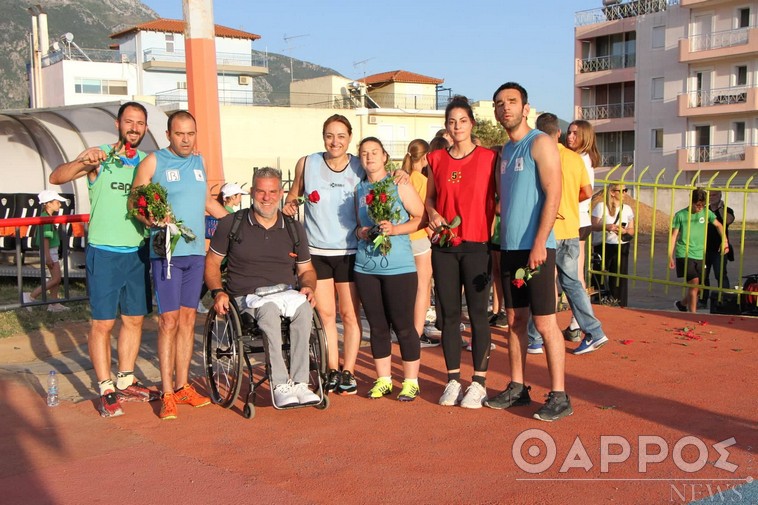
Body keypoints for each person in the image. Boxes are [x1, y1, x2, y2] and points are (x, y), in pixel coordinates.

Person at [48, 101, 157, 418]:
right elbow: (58, 177)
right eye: (128, 122)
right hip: (105, 252)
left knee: (135, 319)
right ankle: (106, 387)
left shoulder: (147, 165)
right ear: (118, 125)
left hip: (137, 250)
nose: (134, 128)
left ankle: (125, 379)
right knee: (103, 323)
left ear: (145, 129)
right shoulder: (101, 156)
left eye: (139, 123)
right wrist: (83, 160)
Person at [131, 110, 228, 420]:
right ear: (169, 135)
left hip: (196, 253)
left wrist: (238, 223)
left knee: (188, 320)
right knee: (168, 321)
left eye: (190, 134)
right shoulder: (154, 161)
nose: (185, 139)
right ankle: (168, 391)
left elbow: (206, 203)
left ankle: (184, 385)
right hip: (167, 252)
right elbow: (135, 201)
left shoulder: (199, 162)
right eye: (179, 134)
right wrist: (150, 219)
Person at [485, 82, 573, 422]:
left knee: (546, 322)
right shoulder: (504, 153)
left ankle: (560, 394)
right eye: (499, 103)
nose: (504, 107)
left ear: (525, 108)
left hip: (536, 248)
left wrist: (540, 241)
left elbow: (554, 194)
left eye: (511, 101)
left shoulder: (540, 143)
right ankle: (518, 387)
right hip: (509, 248)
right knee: (514, 320)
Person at [205, 167, 321, 408]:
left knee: (306, 309)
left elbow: (307, 270)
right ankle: (279, 384)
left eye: (272, 192)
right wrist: (218, 292)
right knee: (268, 310)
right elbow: (212, 263)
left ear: (280, 193)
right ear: (251, 193)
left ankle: (300, 383)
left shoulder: (293, 227)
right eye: (261, 192)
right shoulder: (231, 224)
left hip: (285, 294)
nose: (266, 197)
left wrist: (309, 287)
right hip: (246, 299)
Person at [283, 115, 364, 396]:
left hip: (350, 250)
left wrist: (401, 174)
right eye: (330, 135)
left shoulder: (359, 165)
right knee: (326, 315)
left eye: (341, 136)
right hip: (316, 251)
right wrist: (290, 205)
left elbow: (382, 184)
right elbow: (293, 195)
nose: (335, 141)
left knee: (350, 315)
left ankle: (349, 371)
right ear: (323, 137)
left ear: (349, 138)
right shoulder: (308, 163)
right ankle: (331, 368)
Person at [426, 96, 497, 409]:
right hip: (444, 246)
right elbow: (429, 200)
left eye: (463, 121)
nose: (457, 126)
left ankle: (479, 382)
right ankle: (453, 378)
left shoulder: (488, 158)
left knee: (479, 314)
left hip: (477, 244)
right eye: (452, 121)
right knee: (450, 316)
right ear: (446, 126)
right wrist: (432, 214)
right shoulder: (436, 159)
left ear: (472, 124)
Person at [528, 113, 608, 356]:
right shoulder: (575, 159)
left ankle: (534, 338)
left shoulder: (538, 156)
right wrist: (568, 203)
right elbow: (587, 191)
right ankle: (592, 330)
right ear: (559, 133)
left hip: (548, 229)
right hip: (571, 228)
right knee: (571, 282)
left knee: (541, 283)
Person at [354, 137, 425, 401]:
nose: (369, 157)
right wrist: (361, 231)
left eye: (374, 152)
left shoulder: (398, 184)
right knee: (377, 326)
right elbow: (357, 225)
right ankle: (383, 379)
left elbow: (420, 218)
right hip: (366, 266)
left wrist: (394, 229)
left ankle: (411, 381)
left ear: (385, 156)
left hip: (399, 267)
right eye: (364, 153)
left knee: (404, 326)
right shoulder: (360, 190)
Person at [401, 139, 438, 348]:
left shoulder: (404, 179)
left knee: (407, 287)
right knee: (422, 287)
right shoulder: (422, 181)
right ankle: (417, 331)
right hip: (419, 238)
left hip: (403, 237)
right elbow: (424, 213)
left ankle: (408, 330)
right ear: (426, 157)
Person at [565, 119, 600, 338]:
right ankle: (577, 323)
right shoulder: (581, 158)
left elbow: (586, 191)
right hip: (579, 220)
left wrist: (564, 201)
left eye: (575, 134)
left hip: (575, 221)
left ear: (585, 137)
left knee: (573, 276)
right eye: (569, 132)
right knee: (576, 274)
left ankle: (582, 324)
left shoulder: (581, 160)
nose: (570, 137)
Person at [669, 188, 729, 313]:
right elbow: (674, 236)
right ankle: (693, 315)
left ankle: (681, 304)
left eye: (702, 205)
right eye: (698, 205)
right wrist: (670, 255)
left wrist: (724, 241)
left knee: (699, 287)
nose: (700, 208)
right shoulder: (680, 215)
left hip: (700, 254)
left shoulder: (706, 213)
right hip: (684, 253)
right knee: (694, 283)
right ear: (691, 202)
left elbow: (719, 225)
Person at [197, 182, 247, 314]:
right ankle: (198, 299)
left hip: (223, 251)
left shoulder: (224, 211)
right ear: (233, 197)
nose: (240, 198)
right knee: (214, 278)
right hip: (226, 253)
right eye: (239, 195)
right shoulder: (228, 214)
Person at [24, 190, 70, 313]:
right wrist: (48, 257)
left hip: (51, 251)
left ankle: (53, 303)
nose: (59, 204)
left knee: (55, 278)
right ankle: (30, 296)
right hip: (49, 252)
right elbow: (45, 239)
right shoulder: (46, 218)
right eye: (57, 202)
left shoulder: (47, 217)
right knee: (56, 279)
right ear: (48, 204)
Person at [591, 183, 634, 307]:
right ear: (612, 192)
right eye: (622, 190)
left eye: (626, 190)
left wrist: (624, 231)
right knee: (599, 275)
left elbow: (632, 230)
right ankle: (597, 302)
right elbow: (592, 225)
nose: (625, 193)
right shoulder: (601, 207)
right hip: (603, 244)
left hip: (621, 245)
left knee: (619, 278)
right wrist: (606, 227)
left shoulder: (627, 209)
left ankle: (619, 304)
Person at [701, 190, 735, 307]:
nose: (711, 197)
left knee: (720, 275)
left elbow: (728, 220)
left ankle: (725, 300)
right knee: (703, 276)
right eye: (709, 195)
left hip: (719, 250)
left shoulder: (727, 210)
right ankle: (703, 300)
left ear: (720, 196)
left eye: (714, 195)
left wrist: (721, 208)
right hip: (704, 249)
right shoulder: (704, 210)